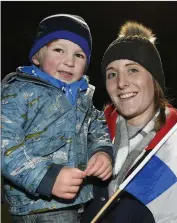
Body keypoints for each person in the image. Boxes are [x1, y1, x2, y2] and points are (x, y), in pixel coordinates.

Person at [1, 14, 115, 223]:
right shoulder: (19, 91)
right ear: (37, 56)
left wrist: (102, 152)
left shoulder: (84, 97)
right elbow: (4, 144)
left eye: (79, 55)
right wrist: (47, 177)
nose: (69, 61)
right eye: (59, 50)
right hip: (38, 207)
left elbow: (97, 128)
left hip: (78, 203)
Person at [81, 21, 177, 223]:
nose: (121, 83)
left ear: (154, 79)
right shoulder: (91, 131)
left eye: (133, 70)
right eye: (112, 74)